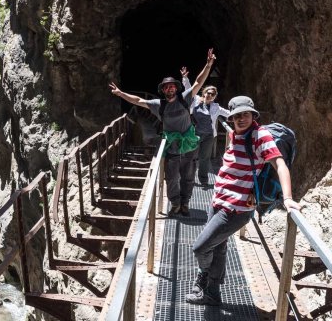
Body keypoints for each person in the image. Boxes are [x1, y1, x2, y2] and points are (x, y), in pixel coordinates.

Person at [185, 95, 302, 306]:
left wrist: (288, 198)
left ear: (253, 115)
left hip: (236, 208)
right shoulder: (236, 135)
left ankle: (203, 276)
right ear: (230, 118)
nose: (241, 119)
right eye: (237, 115)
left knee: (200, 248)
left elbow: (280, 164)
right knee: (218, 247)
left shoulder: (259, 136)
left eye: (245, 114)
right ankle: (212, 293)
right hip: (219, 200)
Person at [109, 48, 216, 217]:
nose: (170, 89)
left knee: (188, 176)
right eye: (167, 87)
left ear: (176, 88)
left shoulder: (185, 98)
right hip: (171, 146)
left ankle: (185, 203)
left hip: (189, 144)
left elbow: (198, 82)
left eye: (172, 86)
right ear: (163, 90)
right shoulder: (159, 104)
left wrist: (209, 65)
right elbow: (138, 100)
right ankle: (175, 203)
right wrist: (121, 94)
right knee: (172, 177)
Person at [187, 82, 230, 186]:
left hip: (209, 136)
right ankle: (189, 178)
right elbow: (189, 90)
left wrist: (241, 115)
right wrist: (185, 79)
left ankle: (203, 179)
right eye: (208, 93)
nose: (210, 95)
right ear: (204, 93)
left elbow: (228, 113)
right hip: (195, 134)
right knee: (191, 156)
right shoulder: (195, 102)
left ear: (215, 97)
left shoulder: (216, 107)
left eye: (213, 94)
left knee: (204, 158)